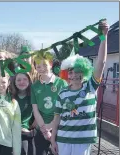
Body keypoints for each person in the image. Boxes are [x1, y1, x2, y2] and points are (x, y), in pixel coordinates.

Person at [51, 21, 109, 155]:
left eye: (77, 70)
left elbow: (101, 62)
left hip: (83, 142)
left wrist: (103, 37)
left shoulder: (90, 86)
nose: (74, 74)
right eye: (70, 71)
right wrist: (53, 140)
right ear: (67, 74)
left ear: (84, 71)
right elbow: (57, 118)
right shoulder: (62, 93)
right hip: (63, 139)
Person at [31, 50, 68, 155]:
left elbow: (64, 108)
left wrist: (51, 126)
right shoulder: (34, 86)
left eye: (44, 64)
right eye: (38, 66)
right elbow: (35, 110)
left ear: (51, 64)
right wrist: (44, 129)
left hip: (59, 128)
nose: (41, 68)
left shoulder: (62, 83)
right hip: (41, 129)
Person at [10, 73, 35, 155]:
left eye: (25, 79)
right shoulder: (10, 97)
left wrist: (31, 127)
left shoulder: (33, 96)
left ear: (29, 81)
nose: (22, 82)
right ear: (15, 82)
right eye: (19, 80)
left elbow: (38, 114)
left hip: (26, 132)